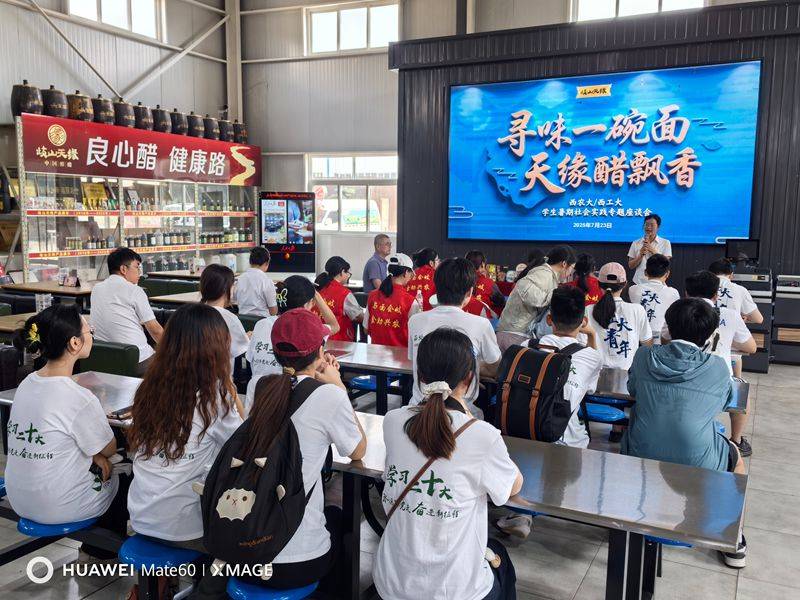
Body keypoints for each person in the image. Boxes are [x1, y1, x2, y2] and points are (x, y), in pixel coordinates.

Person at [200, 308, 367, 596]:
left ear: (276, 353)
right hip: (295, 564)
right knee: (338, 522)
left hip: (245, 550)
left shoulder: (260, 386)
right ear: (320, 351)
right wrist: (338, 385)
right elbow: (357, 451)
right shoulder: (330, 395)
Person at [374, 328, 521, 600]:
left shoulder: (393, 421)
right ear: (470, 378)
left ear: (420, 376)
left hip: (391, 584)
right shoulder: (482, 435)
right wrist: (468, 416)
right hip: (455, 591)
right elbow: (512, 487)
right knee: (501, 561)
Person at [621, 298, 747, 569]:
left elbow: (633, 389)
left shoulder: (644, 357)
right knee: (736, 458)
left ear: (667, 327)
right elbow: (726, 402)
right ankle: (733, 539)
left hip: (640, 451)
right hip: (697, 459)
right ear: (709, 335)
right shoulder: (717, 367)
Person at [127, 303, 245, 551]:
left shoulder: (149, 387)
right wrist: (230, 389)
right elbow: (244, 445)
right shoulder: (214, 398)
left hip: (141, 518)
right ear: (215, 349)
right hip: (185, 529)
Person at [6, 305, 123, 532]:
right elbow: (109, 449)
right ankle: (102, 548)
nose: (92, 335)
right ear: (75, 343)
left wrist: (93, 455)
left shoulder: (26, 384)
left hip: (19, 500)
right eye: (90, 331)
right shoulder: (78, 397)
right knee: (122, 471)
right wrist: (98, 455)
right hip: (60, 507)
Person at [665, 270, 757, 458]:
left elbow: (665, 340)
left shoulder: (677, 311)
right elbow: (751, 347)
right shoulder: (730, 315)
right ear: (716, 294)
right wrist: (728, 340)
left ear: (686, 293)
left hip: (678, 378)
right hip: (718, 386)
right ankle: (736, 441)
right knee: (743, 393)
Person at [407, 258, 501, 418]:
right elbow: (495, 367)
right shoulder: (481, 324)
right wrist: (470, 369)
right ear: (470, 292)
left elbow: (414, 360)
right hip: (462, 411)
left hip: (417, 409)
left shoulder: (415, 321)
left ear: (436, 288)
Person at [245, 276, 339, 412]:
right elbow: (335, 326)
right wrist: (317, 295)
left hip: (256, 401)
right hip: (291, 404)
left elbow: (251, 360)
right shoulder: (309, 328)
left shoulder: (261, 325)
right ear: (310, 302)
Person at [538, 286, 602, 449]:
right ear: (583, 321)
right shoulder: (592, 357)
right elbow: (590, 390)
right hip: (568, 442)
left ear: (549, 319)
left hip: (524, 431)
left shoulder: (527, 346)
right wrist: (592, 334)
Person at [90, 247, 163, 376]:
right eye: (137, 267)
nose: (140, 272)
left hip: (104, 360)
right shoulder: (135, 290)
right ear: (123, 269)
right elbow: (155, 330)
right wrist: (174, 351)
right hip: (137, 360)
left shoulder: (96, 289)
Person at [497, 245, 577, 351]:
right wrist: (556, 296)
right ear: (564, 264)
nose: (570, 274)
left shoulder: (547, 275)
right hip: (513, 334)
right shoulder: (544, 274)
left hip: (515, 333)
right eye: (571, 268)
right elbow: (526, 291)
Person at [587, 262, 653, 371]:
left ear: (598, 284)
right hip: (628, 376)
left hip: (594, 375)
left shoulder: (588, 310)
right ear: (625, 284)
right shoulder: (637, 310)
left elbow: (582, 346)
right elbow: (647, 345)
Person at [365, 253, 421, 347]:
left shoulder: (372, 295)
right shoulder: (410, 301)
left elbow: (366, 329)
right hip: (401, 354)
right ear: (406, 273)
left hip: (375, 353)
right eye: (411, 273)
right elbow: (417, 334)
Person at [200, 263, 250, 368]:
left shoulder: (190, 313)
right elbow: (243, 347)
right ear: (226, 289)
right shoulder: (229, 318)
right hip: (220, 376)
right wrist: (247, 337)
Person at [628, 254, 680, 344]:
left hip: (638, 340)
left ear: (645, 272)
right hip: (662, 341)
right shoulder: (673, 292)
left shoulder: (633, 289)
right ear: (667, 274)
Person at [315, 256, 363, 342]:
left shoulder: (318, 288)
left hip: (317, 340)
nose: (348, 276)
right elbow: (359, 317)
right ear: (342, 272)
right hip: (338, 342)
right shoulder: (344, 293)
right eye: (348, 273)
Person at [709, 259, 764, 325]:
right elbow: (758, 319)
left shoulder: (701, 286)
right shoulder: (740, 290)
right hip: (730, 330)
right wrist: (739, 319)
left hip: (705, 330)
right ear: (731, 275)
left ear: (709, 274)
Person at [627, 213, 672, 285]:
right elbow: (630, 265)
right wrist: (640, 255)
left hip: (658, 283)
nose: (648, 227)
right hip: (638, 283)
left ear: (658, 227)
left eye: (652, 225)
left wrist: (652, 250)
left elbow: (666, 263)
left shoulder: (665, 243)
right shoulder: (635, 243)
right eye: (646, 224)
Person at [236, 247, 278, 317]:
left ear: (250, 262)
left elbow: (234, 300)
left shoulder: (240, 278)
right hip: (262, 320)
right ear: (267, 263)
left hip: (243, 320)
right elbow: (273, 311)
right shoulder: (266, 281)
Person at [464, 250, 506, 318]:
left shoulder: (457, 281)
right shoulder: (489, 283)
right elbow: (502, 303)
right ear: (483, 264)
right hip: (482, 321)